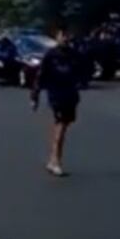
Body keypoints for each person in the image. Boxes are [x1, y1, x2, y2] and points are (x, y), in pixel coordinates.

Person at [31, 28, 84, 177]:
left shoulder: (74, 54)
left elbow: (83, 69)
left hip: (70, 95)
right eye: (63, 36)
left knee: (64, 125)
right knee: (60, 126)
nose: (66, 38)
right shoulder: (51, 55)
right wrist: (34, 96)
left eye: (68, 35)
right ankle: (56, 161)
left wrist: (81, 81)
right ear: (57, 37)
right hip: (56, 94)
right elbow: (40, 76)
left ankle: (52, 159)